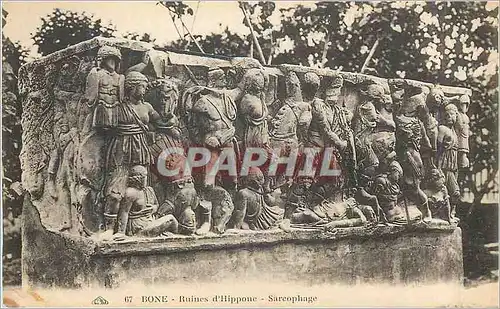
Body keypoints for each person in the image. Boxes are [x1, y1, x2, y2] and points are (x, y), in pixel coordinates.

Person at [113, 165, 178, 239]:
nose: (146, 179)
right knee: (171, 219)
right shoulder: (131, 193)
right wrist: (121, 233)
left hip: (151, 222)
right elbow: (124, 212)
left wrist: (153, 208)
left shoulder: (149, 190)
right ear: (139, 178)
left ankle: (173, 237)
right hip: (139, 228)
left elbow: (156, 205)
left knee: (170, 220)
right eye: (145, 176)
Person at [80, 46, 124, 130]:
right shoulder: (97, 74)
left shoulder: (119, 77)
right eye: (109, 59)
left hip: (115, 107)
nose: (112, 62)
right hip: (101, 105)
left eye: (114, 60)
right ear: (103, 60)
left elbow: (121, 96)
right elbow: (91, 94)